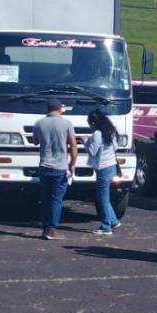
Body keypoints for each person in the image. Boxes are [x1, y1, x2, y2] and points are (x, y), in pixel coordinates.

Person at [33, 99, 78, 240]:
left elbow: (35, 142)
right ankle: (52, 229)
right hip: (60, 166)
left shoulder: (39, 123)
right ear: (60, 109)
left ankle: (45, 228)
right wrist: (72, 164)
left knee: (46, 198)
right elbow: (73, 145)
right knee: (56, 199)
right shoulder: (67, 123)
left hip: (44, 165)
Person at [85, 109, 121, 235]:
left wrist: (86, 142)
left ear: (94, 123)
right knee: (104, 197)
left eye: (90, 124)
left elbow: (92, 151)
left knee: (103, 199)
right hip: (112, 166)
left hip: (103, 168)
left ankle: (106, 227)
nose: (90, 127)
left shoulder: (97, 134)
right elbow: (116, 147)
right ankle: (113, 220)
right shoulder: (111, 131)